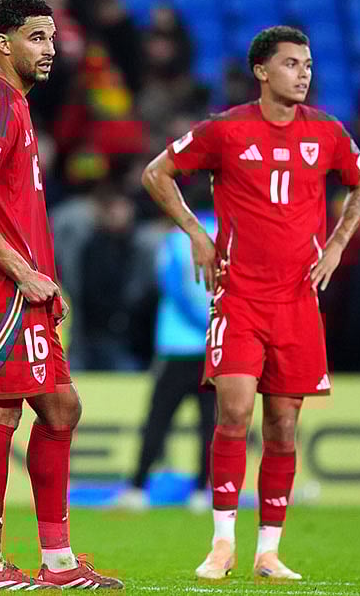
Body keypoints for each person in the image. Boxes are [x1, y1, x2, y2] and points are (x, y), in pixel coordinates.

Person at [141, 26, 360, 581]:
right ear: (262, 71)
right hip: (240, 295)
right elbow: (157, 174)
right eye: (292, 63)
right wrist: (198, 233)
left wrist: (337, 245)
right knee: (235, 412)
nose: (304, 73)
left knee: (284, 428)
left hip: (297, 300)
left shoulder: (328, 132)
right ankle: (222, 542)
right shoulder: (226, 130)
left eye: (309, 64)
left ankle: (268, 551)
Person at [0, 0, 123, 590]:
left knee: (61, 406)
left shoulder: (15, 106)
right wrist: (23, 274)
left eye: (52, 38)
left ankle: (57, 562)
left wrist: (40, 279)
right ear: (4, 42)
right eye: (36, 38)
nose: (51, 49)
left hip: (22, 285)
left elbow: (8, 208)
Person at [114, 209, 217, 513]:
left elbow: (170, 286)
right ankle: (201, 491)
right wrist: (213, 325)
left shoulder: (175, 239)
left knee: (157, 421)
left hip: (176, 344)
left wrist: (198, 321)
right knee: (209, 424)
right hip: (213, 346)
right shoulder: (227, 237)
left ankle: (137, 488)